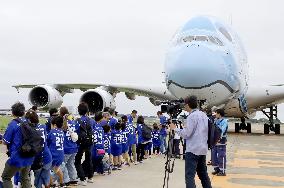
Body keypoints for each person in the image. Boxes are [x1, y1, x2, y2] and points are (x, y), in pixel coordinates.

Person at [170, 96, 212, 188]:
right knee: (203, 175)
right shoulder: (203, 115)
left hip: (193, 150)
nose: (184, 106)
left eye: (185, 104)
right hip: (202, 149)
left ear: (188, 105)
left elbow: (187, 134)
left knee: (189, 176)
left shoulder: (192, 116)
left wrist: (175, 129)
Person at [1, 103, 34, 188]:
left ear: (12, 113)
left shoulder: (13, 124)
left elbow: (5, 142)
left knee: (6, 177)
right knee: (25, 178)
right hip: (29, 155)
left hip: (17, 157)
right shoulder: (28, 122)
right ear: (23, 112)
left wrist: (7, 151)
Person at [26, 110, 52, 188]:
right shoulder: (43, 126)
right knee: (46, 179)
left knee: (37, 181)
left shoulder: (29, 129)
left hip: (37, 158)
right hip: (47, 156)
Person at [74, 103, 94, 186]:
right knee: (88, 158)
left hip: (80, 142)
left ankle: (82, 178)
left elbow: (75, 132)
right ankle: (90, 177)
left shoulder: (78, 121)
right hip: (89, 141)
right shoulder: (91, 120)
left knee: (77, 161)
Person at [60, 107, 78, 186]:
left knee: (62, 164)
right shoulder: (72, 122)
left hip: (66, 147)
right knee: (71, 164)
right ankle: (73, 179)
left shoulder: (62, 122)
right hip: (74, 146)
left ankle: (66, 180)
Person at [47, 116, 65, 187]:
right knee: (57, 169)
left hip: (53, 155)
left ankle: (52, 184)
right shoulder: (62, 132)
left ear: (54, 125)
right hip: (60, 155)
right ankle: (62, 183)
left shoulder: (51, 132)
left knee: (48, 170)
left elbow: (47, 143)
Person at [211, 109, 228, 176]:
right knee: (214, 156)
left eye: (216, 113)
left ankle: (222, 171)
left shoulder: (224, 122)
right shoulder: (215, 121)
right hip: (215, 141)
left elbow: (222, 131)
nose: (215, 115)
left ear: (219, 114)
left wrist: (218, 137)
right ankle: (217, 169)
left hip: (221, 141)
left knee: (221, 156)